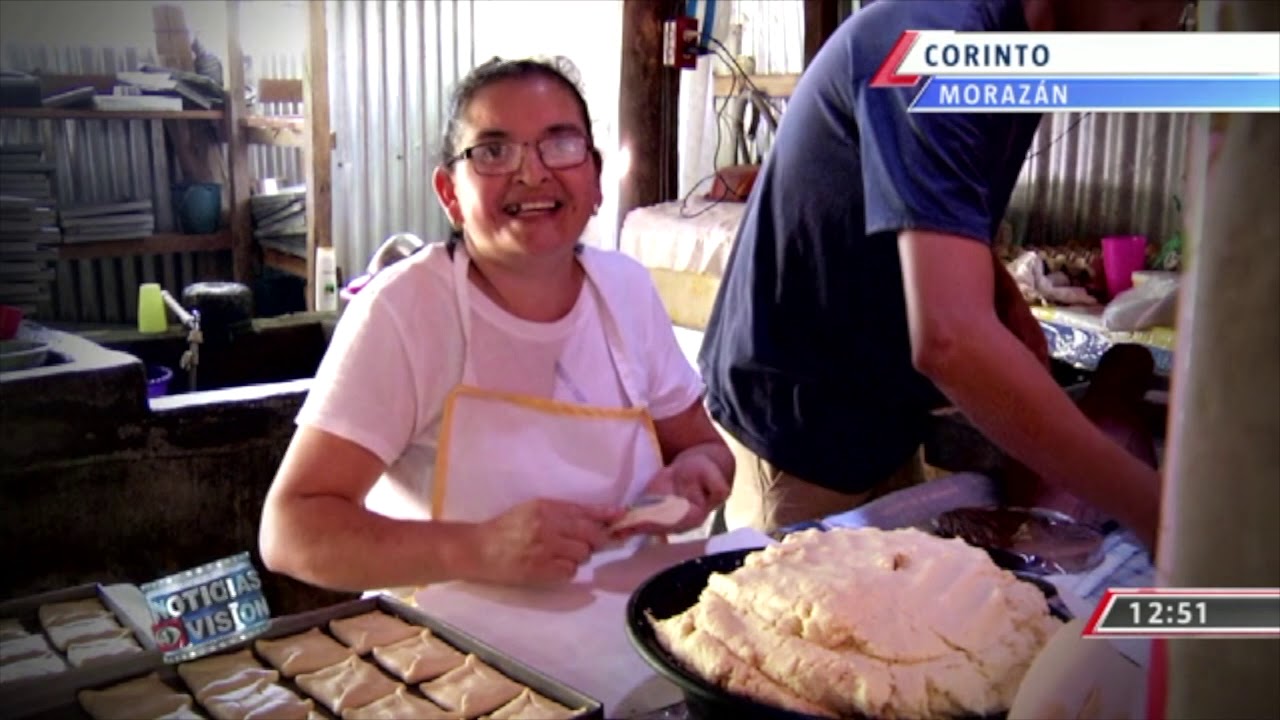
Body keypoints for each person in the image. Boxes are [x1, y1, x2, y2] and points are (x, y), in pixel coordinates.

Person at [699, 0, 1188, 548]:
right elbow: (952, 343)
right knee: (794, 618)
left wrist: (1005, 302)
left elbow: (937, 211)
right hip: (797, 430)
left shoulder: (1019, 58)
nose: (1161, 34)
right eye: (1147, 19)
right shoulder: (938, 45)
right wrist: (1158, 516)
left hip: (881, 415)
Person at [260, 57, 732, 592]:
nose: (532, 173)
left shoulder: (626, 291)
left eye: (560, 144)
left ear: (596, 178)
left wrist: (696, 477)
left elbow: (704, 448)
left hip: (627, 632)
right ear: (450, 193)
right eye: (493, 152)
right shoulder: (405, 309)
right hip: (450, 652)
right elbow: (290, 529)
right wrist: (476, 548)